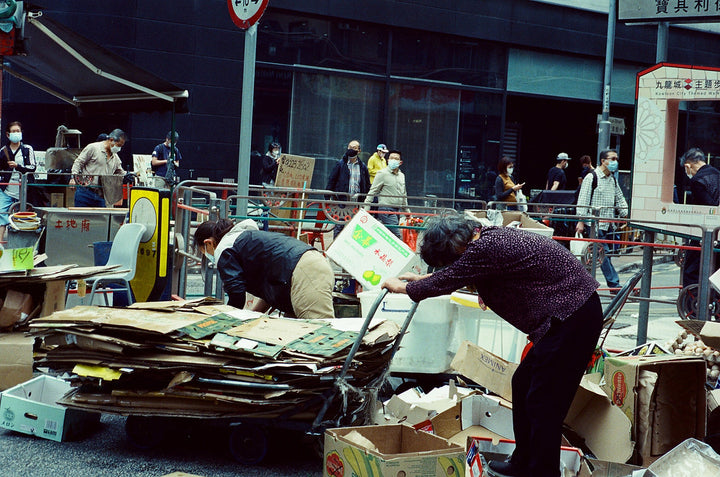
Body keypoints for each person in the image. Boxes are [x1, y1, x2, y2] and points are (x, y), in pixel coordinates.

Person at [381, 213, 602, 477]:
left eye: (447, 262)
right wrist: (424, 281)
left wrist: (403, 288)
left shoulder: (485, 247)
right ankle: (522, 463)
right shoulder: (484, 239)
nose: (451, 266)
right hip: (567, 316)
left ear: (455, 247)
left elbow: (451, 277)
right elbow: (457, 275)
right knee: (523, 385)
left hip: (572, 317)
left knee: (544, 401)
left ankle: (541, 471)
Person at [193, 218, 335, 318]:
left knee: (318, 332)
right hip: (307, 267)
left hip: (303, 273)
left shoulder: (224, 249)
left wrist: (228, 321)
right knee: (293, 333)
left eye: (204, 251)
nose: (208, 255)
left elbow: (236, 294)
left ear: (209, 243)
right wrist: (255, 314)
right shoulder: (241, 240)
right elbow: (268, 285)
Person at [575, 148, 629, 291]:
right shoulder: (591, 177)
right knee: (602, 255)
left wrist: (627, 214)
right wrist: (581, 220)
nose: (615, 162)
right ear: (603, 161)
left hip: (609, 226)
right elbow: (583, 200)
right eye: (612, 159)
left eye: (616, 159)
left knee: (604, 256)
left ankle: (584, 285)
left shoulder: (612, 180)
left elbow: (620, 199)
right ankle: (614, 285)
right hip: (594, 225)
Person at [679, 147, 720, 287]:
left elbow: (708, 206)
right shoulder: (717, 173)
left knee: (691, 270)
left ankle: (693, 302)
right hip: (718, 234)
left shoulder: (697, 180)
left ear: (687, 165)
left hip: (703, 233)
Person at [70, 129, 127, 208]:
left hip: (102, 195)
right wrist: (73, 177)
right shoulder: (93, 148)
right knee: (82, 219)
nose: (119, 149)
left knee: (100, 219)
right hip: (85, 192)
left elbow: (120, 171)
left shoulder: (115, 157)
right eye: (119, 145)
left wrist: (127, 175)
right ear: (111, 140)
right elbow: (78, 162)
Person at [0, 121, 36, 242]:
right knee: (2, 214)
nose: (16, 133)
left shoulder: (27, 149)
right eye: (13, 131)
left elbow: (32, 167)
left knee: (23, 218)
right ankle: (1, 244)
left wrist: (18, 166)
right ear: (7, 134)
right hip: (6, 190)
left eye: (18, 131)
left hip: (24, 190)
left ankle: (21, 245)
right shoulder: (3, 150)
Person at [326, 139, 370, 237]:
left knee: (356, 227)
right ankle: (335, 249)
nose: (352, 150)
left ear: (359, 151)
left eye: (354, 148)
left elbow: (367, 184)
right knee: (339, 226)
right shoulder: (341, 164)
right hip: (342, 201)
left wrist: (365, 198)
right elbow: (332, 180)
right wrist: (328, 196)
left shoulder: (362, 167)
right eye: (350, 148)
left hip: (357, 202)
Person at [363, 149, 410, 238]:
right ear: (388, 160)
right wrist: (366, 208)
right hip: (386, 209)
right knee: (396, 235)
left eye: (396, 159)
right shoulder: (382, 173)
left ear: (400, 162)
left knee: (388, 236)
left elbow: (403, 194)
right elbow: (373, 191)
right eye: (391, 158)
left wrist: (407, 212)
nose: (393, 160)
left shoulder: (401, 176)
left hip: (397, 210)